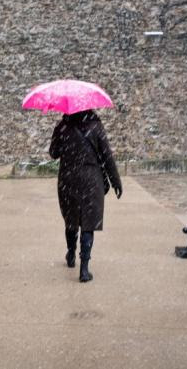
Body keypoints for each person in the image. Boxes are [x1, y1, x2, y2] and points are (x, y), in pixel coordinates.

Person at [49, 110, 122, 282]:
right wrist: (116, 181)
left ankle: (71, 254)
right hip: (91, 179)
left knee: (71, 218)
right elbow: (107, 156)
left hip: (68, 179)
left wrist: (62, 137)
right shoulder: (96, 126)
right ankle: (84, 269)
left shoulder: (63, 126)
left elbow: (53, 153)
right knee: (88, 222)